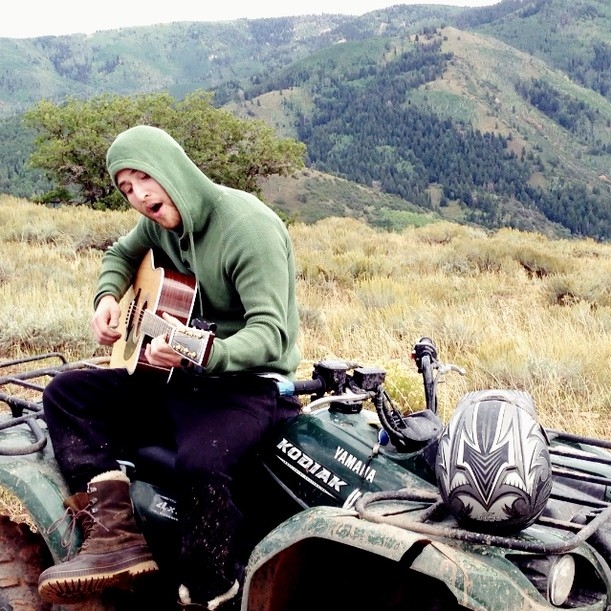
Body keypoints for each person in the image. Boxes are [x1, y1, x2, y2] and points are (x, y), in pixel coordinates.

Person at [37, 125, 302, 610]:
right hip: (179, 377)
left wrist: (203, 353)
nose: (138, 194)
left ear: (172, 169)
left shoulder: (248, 227)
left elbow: (271, 335)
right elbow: (120, 255)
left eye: (143, 177)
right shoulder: (159, 225)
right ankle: (116, 535)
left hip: (246, 385)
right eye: (125, 187)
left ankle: (211, 587)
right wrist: (107, 300)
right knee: (65, 393)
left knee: (201, 462)